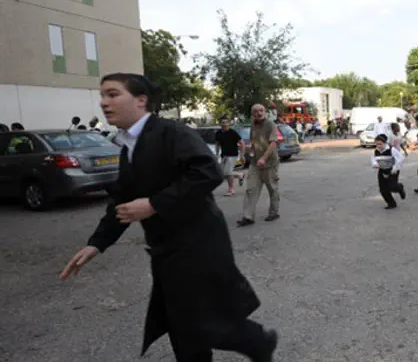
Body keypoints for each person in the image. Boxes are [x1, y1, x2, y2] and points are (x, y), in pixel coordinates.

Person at [59, 73, 278, 362]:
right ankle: (256, 342)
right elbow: (122, 201)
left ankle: (257, 342)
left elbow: (207, 172)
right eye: (102, 96)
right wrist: (96, 244)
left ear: (141, 100)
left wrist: (154, 204)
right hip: (167, 249)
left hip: (198, 243)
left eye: (112, 94)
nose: (104, 103)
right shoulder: (127, 147)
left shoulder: (170, 133)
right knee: (185, 323)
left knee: (196, 321)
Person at [238, 104, 281, 227]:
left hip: (270, 163)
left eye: (261, 110)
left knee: (272, 188)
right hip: (255, 163)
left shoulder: (270, 124)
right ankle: (248, 217)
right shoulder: (252, 125)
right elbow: (254, 143)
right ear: (253, 114)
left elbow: (273, 144)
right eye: (256, 111)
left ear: (265, 112)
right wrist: (248, 149)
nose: (259, 113)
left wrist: (264, 158)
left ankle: (274, 212)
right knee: (251, 189)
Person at [371, 134, 406, 209]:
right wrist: (375, 164)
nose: (378, 146)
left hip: (392, 169)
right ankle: (391, 203)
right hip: (382, 170)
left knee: (392, 186)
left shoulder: (391, 150)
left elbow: (401, 158)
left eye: (380, 144)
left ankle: (400, 188)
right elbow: (373, 159)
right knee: (383, 189)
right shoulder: (376, 151)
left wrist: (395, 167)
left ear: (385, 143)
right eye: (377, 144)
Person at [215, 117, 245, 197]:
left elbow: (242, 143)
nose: (224, 124)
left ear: (229, 124)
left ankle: (231, 189)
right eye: (222, 122)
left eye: (226, 122)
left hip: (233, 155)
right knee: (222, 173)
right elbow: (217, 144)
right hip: (224, 155)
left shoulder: (233, 133)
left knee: (228, 173)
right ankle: (240, 175)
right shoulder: (218, 133)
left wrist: (242, 155)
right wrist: (217, 153)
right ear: (220, 124)